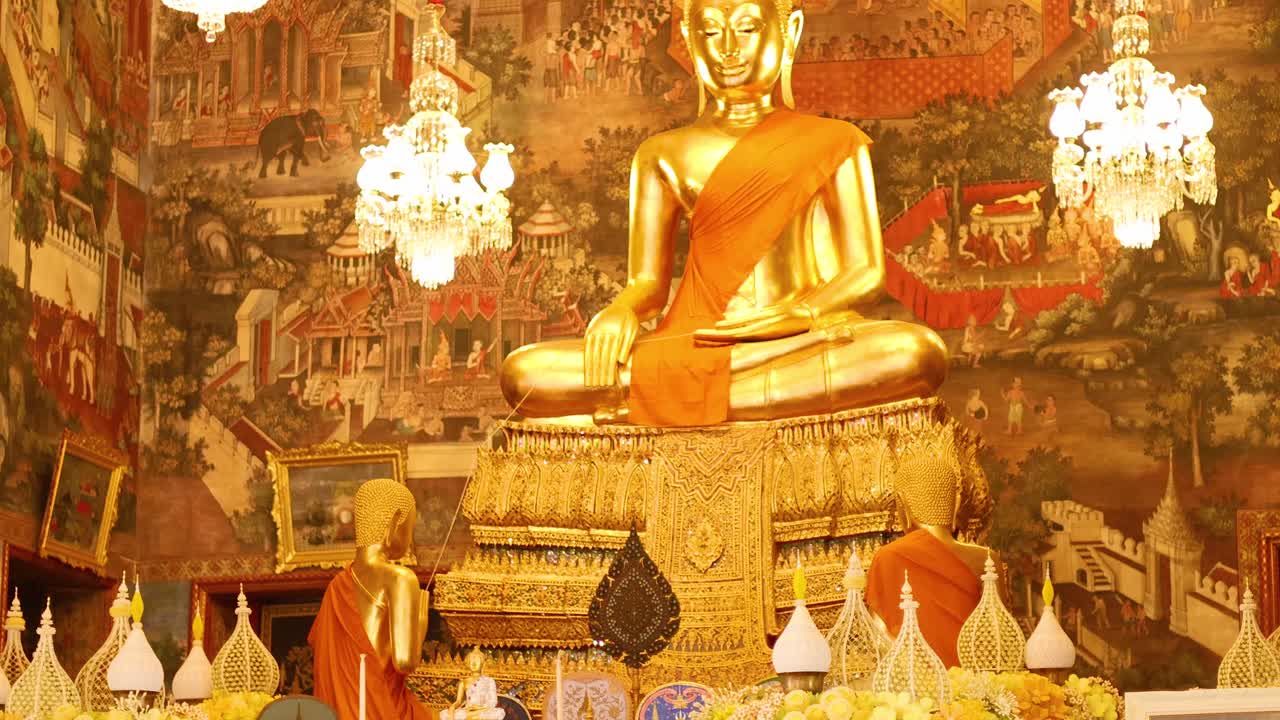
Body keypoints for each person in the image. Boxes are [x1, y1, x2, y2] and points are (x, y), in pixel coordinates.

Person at [498, 0, 948, 426]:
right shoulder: (662, 154)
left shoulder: (836, 141)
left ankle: (661, 403)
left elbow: (866, 274)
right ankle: (736, 398)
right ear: (690, 41)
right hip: (695, 342)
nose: (729, 48)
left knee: (913, 352)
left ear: (789, 33)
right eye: (711, 32)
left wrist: (801, 315)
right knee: (526, 373)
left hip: (798, 340)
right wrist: (620, 311)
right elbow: (647, 285)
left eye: (748, 28)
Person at [309, 480, 431, 720]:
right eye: (410, 528)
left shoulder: (336, 585)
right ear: (395, 522)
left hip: (337, 710)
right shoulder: (400, 577)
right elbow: (405, 662)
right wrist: (421, 619)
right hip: (384, 707)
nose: (409, 539)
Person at [866, 438, 986, 669]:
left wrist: (918, 675)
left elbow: (880, 640)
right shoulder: (986, 559)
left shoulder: (888, 557)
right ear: (956, 504)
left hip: (915, 682)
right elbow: (999, 637)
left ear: (903, 506)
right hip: (977, 682)